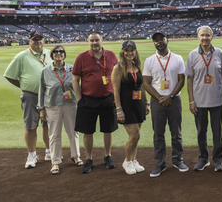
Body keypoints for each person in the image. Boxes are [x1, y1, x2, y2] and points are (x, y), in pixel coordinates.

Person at [4, 30, 51, 169]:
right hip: (31, 95)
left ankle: (49, 151)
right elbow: (9, 75)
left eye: (40, 39)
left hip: (49, 95)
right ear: (29, 41)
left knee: (48, 124)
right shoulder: (22, 56)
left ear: (44, 40)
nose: (38, 42)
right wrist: (24, 87)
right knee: (30, 126)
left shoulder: (50, 53)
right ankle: (31, 155)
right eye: (34, 40)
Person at [72, 31, 118, 173]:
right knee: (88, 131)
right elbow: (75, 80)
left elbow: (117, 77)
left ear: (102, 40)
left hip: (108, 98)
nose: (94, 43)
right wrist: (80, 99)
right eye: (91, 41)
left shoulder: (111, 55)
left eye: (96, 40)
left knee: (108, 129)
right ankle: (89, 159)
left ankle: (107, 156)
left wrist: (117, 97)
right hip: (88, 100)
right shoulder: (82, 57)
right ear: (88, 42)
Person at [143, 31, 187, 177]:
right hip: (157, 102)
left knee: (176, 133)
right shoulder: (149, 60)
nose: (159, 42)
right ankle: (160, 164)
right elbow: (146, 83)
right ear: (153, 43)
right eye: (156, 40)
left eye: (161, 39)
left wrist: (171, 96)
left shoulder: (177, 58)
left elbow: (181, 80)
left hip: (174, 100)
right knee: (158, 134)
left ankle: (177, 160)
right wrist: (160, 97)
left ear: (167, 40)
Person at [185, 26, 222, 172]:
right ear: (198, 37)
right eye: (202, 35)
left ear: (212, 37)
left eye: (208, 35)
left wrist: (219, 91)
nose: (205, 38)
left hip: (216, 100)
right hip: (199, 101)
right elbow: (189, 79)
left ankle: (218, 159)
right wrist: (191, 100)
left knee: (217, 131)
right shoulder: (192, 55)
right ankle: (203, 159)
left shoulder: (219, 53)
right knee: (201, 131)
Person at [38, 45, 82, 175]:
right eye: (56, 52)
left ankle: (76, 156)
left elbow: (78, 86)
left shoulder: (71, 69)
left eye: (61, 51)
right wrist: (41, 109)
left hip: (70, 104)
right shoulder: (45, 71)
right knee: (54, 134)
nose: (59, 53)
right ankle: (55, 162)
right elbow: (42, 91)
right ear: (52, 54)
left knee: (73, 132)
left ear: (64, 54)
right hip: (52, 105)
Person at [112, 40, 149, 175]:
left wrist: (146, 103)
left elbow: (142, 86)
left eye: (132, 50)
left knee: (137, 136)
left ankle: (133, 160)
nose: (129, 53)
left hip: (138, 104)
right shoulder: (118, 68)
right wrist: (119, 109)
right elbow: (115, 90)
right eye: (126, 50)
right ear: (122, 52)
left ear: (135, 51)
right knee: (134, 135)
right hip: (126, 105)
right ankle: (127, 161)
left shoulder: (137, 66)